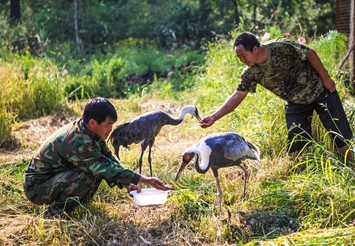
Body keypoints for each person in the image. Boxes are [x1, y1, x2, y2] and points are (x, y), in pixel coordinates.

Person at [200, 32, 353, 162]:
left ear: (255, 49)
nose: (242, 60)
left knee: (339, 135)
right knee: (295, 147)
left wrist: (326, 78)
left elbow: (310, 53)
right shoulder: (251, 72)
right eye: (238, 57)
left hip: (319, 89)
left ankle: (351, 166)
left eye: (243, 55)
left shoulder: (281, 47)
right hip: (296, 102)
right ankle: (298, 177)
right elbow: (237, 96)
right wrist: (214, 117)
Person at [23, 97, 173, 218]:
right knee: (88, 173)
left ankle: (79, 204)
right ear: (93, 122)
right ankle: (54, 216)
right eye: (108, 125)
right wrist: (146, 179)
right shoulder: (77, 140)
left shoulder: (90, 130)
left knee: (99, 167)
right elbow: (103, 167)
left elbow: (108, 158)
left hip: (55, 177)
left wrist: (128, 182)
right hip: (37, 187)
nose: (110, 129)